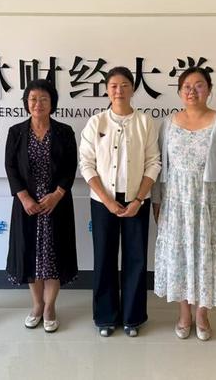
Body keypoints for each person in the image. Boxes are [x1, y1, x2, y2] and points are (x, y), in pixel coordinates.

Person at [152, 67, 216, 341]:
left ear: (209, 89)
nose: (192, 91)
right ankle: (184, 314)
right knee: (179, 256)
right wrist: (157, 200)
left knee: (206, 255)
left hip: (208, 201)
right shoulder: (168, 123)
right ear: (180, 92)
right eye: (187, 86)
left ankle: (202, 314)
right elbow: (158, 165)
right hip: (175, 201)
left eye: (199, 85)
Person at [78, 66, 161, 337]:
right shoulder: (96, 122)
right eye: (113, 85)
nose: (119, 90)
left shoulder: (144, 122)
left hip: (137, 199)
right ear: (106, 89)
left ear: (133, 89)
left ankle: (132, 318)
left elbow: (153, 162)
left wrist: (138, 199)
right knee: (104, 257)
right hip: (103, 201)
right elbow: (86, 165)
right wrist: (107, 200)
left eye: (125, 85)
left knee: (136, 258)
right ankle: (105, 317)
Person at [5, 79, 78, 333]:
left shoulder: (64, 131)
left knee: (54, 256)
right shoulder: (16, 132)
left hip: (56, 205)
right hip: (27, 206)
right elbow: (10, 167)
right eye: (33, 99)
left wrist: (57, 194)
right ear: (26, 102)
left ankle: (50, 307)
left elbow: (71, 166)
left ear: (52, 103)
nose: (38, 104)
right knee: (31, 256)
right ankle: (37, 305)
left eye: (44, 99)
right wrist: (24, 197)